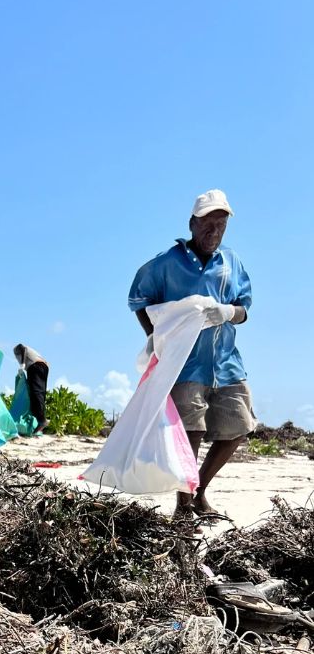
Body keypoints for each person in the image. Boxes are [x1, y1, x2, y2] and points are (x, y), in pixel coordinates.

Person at [128, 189, 255, 521]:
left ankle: (198, 492)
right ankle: (183, 509)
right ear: (192, 224)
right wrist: (156, 337)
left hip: (227, 362)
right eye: (207, 224)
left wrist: (228, 312)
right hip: (185, 364)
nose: (214, 232)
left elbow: (245, 307)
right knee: (191, 432)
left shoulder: (232, 262)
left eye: (221, 225)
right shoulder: (167, 263)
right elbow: (137, 299)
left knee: (238, 428)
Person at [13, 344, 50, 433]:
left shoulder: (16, 349)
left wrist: (22, 364)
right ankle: (38, 422)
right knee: (39, 393)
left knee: (35, 392)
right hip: (43, 367)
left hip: (35, 366)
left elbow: (22, 347)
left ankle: (42, 420)